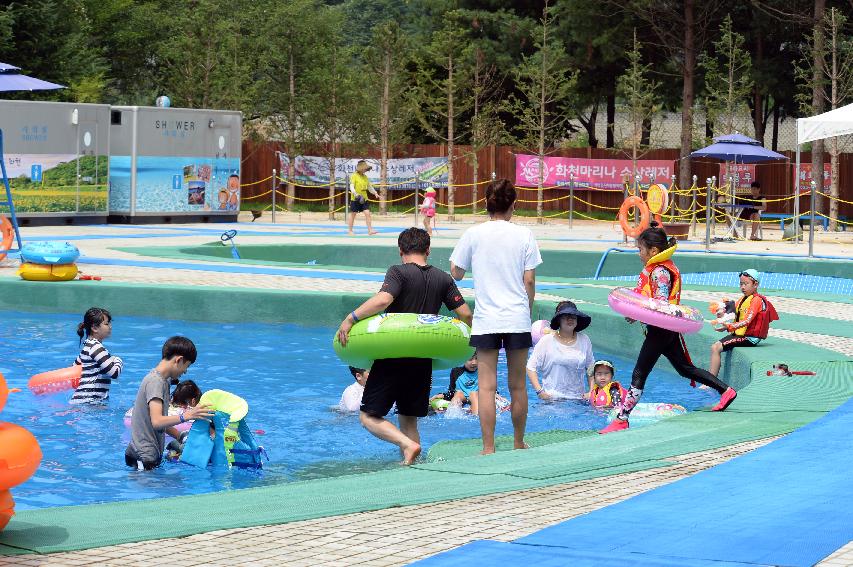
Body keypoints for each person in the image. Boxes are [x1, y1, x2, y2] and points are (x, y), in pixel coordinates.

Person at [337, 227, 473, 464]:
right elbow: (466, 314)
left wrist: (351, 319)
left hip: (392, 354)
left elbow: (383, 299)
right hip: (423, 358)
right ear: (428, 250)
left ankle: (406, 445)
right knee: (409, 419)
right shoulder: (443, 278)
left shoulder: (397, 272)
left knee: (368, 416)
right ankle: (412, 464)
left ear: (401, 251)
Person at [599, 223, 737, 434]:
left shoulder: (660, 272)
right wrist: (636, 315)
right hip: (664, 329)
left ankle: (622, 418)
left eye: (640, 249)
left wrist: (640, 312)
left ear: (653, 251)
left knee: (639, 373)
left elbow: (660, 304)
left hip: (661, 329)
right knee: (684, 369)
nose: (639, 254)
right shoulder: (659, 268)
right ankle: (726, 390)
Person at [450, 178, 542, 454]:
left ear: (485, 204)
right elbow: (529, 281)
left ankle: (488, 447)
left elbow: (456, 273)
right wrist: (526, 309)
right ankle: (517, 442)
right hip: (516, 317)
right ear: (513, 204)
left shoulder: (473, 234)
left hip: (487, 318)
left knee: (486, 388)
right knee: (517, 386)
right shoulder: (524, 235)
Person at [124, 336, 212, 470]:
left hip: (145, 454)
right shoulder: (156, 382)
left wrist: (180, 436)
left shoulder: (163, 381)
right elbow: (157, 421)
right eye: (186, 366)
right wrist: (187, 416)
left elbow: (156, 421)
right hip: (143, 456)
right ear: (179, 360)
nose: (185, 371)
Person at [709, 269, 779, 377]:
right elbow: (733, 314)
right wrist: (721, 314)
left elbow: (747, 321)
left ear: (755, 284)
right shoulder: (743, 299)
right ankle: (710, 379)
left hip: (750, 338)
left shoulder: (756, 300)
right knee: (714, 346)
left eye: (746, 284)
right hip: (741, 334)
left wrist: (729, 327)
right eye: (741, 284)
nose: (742, 287)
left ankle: (710, 381)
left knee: (716, 348)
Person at [526, 301, 594, 401]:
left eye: (573, 316)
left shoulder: (584, 340)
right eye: (565, 316)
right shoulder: (547, 340)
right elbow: (530, 367)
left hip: (578, 400)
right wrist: (540, 392)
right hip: (552, 400)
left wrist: (592, 392)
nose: (570, 319)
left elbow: (591, 368)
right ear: (559, 320)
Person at [70, 307, 123, 405]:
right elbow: (114, 373)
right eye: (106, 324)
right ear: (94, 328)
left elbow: (74, 368)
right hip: (89, 403)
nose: (110, 326)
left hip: (81, 401)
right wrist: (118, 360)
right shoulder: (96, 348)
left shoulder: (87, 347)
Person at [347, 159, 381, 235]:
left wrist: (375, 192)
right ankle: (350, 230)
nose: (366, 170)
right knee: (353, 214)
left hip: (364, 198)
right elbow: (351, 186)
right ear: (361, 168)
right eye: (365, 168)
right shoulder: (354, 176)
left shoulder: (365, 177)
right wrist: (355, 193)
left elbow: (369, 186)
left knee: (367, 213)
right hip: (355, 199)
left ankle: (370, 230)